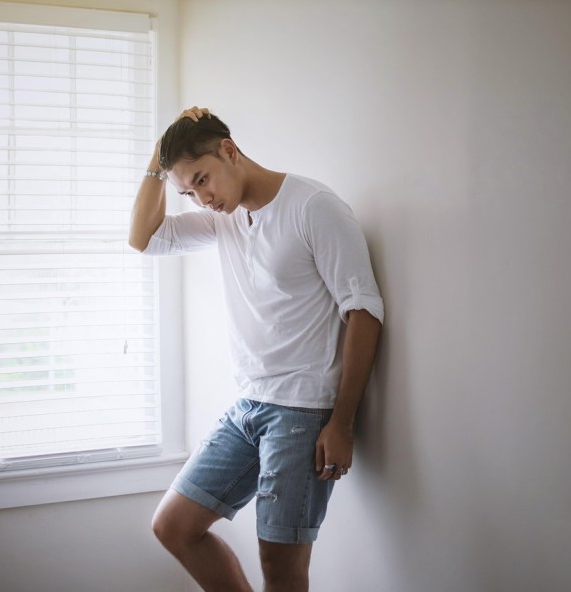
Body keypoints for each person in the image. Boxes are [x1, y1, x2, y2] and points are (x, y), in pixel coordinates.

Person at [129, 106, 384, 592]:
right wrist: (158, 158)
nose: (202, 199)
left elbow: (364, 311)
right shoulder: (225, 218)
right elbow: (145, 238)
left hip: (303, 412)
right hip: (248, 406)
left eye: (202, 180)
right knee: (174, 527)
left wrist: (342, 422)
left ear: (229, 150)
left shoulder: (313, 206)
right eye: (189, 192)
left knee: (280, 569)